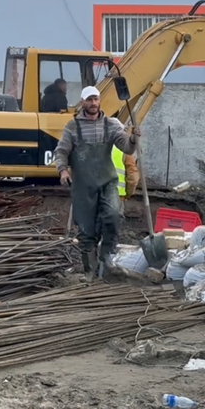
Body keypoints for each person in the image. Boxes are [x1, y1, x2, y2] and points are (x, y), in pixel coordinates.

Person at [54, 86, 140, 281]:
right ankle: (89, 272)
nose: (93, 103)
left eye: (96, 99)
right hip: (83, 186)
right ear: (82, 102)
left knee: (113, 215)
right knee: (86, 229)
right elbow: (61, 151)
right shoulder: (72, 127)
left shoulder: (111, 125)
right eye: (90, 100)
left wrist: (133, 139)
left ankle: (106, 259)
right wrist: (63, 170)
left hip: (107, 181)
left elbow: (125, 145)